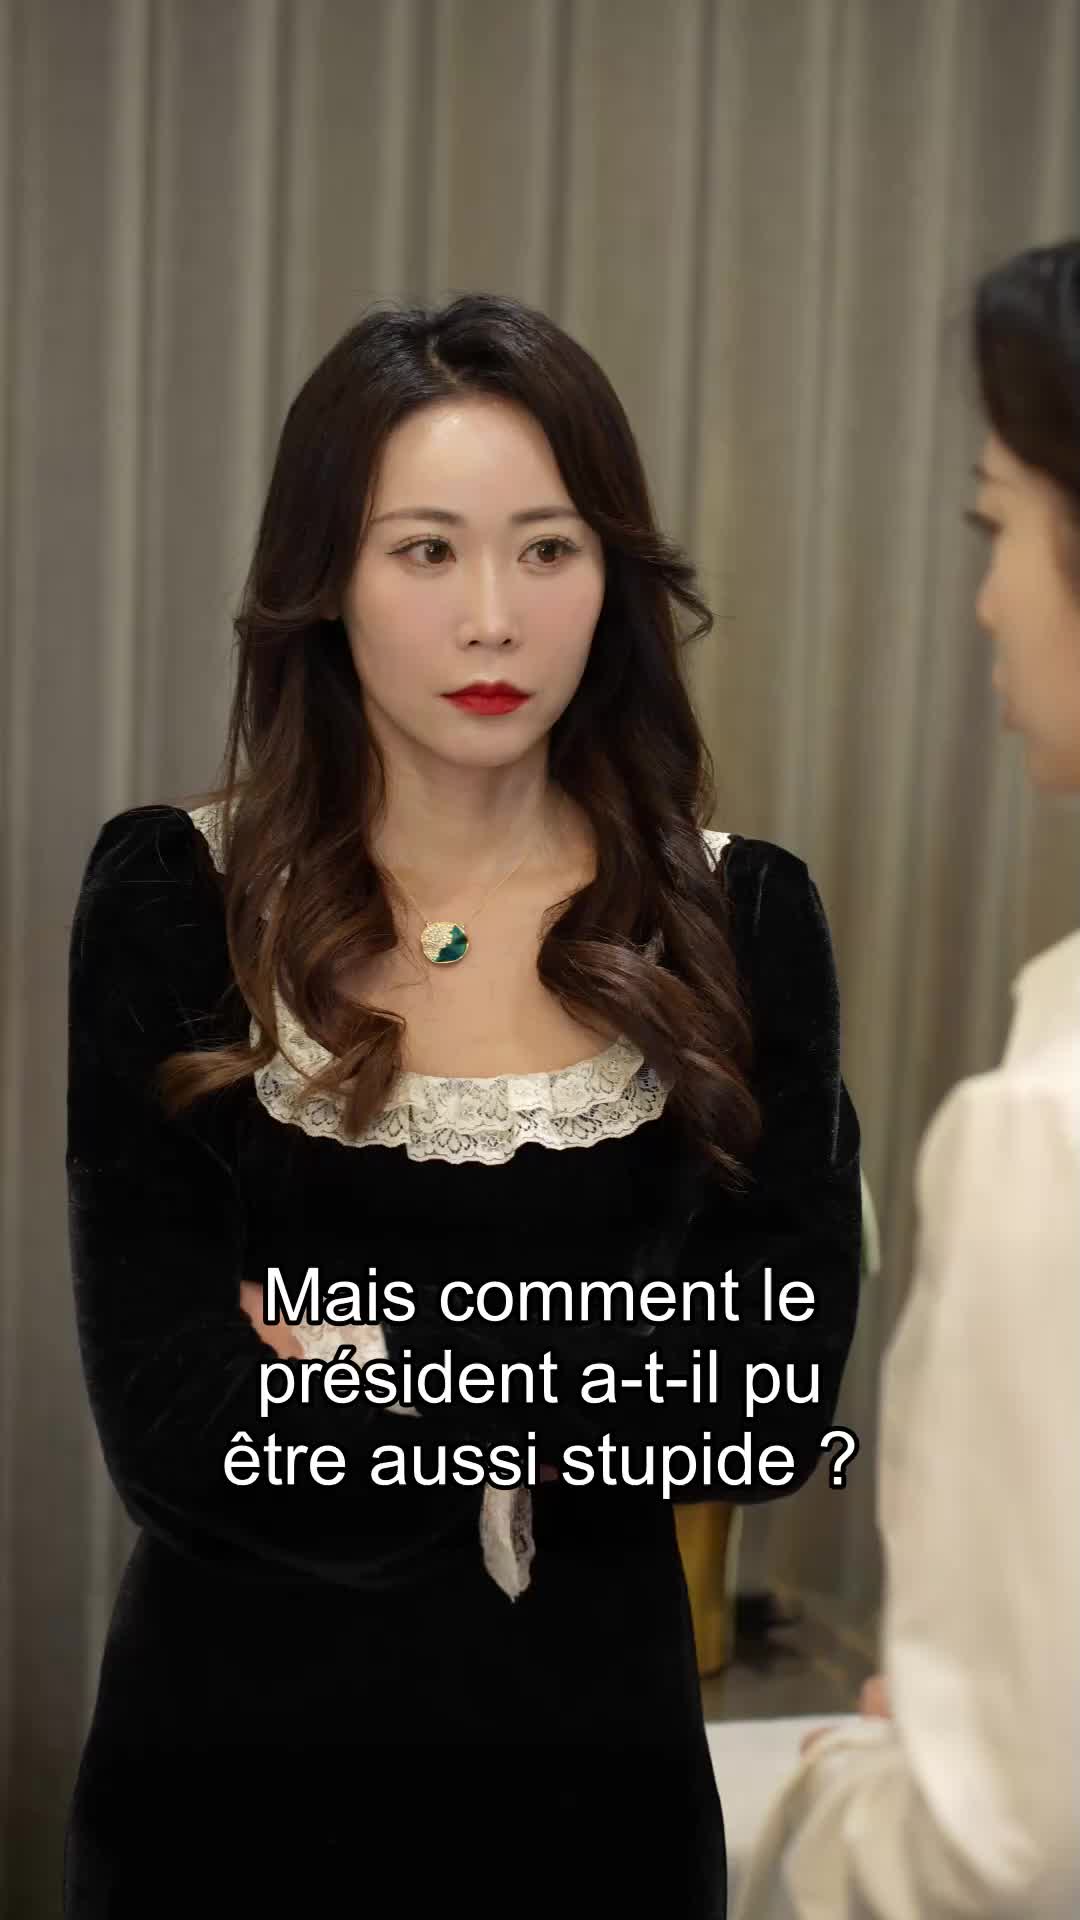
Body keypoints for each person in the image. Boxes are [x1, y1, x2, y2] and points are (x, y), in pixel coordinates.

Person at [63, 293, 862, 1918]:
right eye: (426, 552)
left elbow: (766, 1397)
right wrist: (590, 1380)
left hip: (597, 1793)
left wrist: (379, 1367)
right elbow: (176, 1430)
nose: (493, 621)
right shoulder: (174, 897)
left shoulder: (742, 915)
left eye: (547, 550)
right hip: (227, 1791)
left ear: (612, 580)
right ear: (326, 580)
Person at [734, 240, 1080, 1918]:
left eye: (994, 523)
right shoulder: (178, 893)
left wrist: (854, 1787)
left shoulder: (1046, 1135)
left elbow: (1006, 1851)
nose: (987, 598)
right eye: (426, 550)